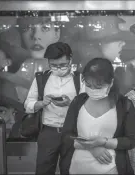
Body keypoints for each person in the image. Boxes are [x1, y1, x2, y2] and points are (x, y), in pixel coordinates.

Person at [61, 58, 135, 174]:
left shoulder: (124, 105)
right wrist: (92, 147)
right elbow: (66, 136)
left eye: (98, 87)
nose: (92, 90)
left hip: (111, 169)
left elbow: (130, 141)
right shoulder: (78, 101)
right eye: (88, 85)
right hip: (77, 167)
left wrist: (103, 142)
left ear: (111, 83)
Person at [24, 42, 85, 175]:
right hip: (48, 132)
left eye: (62, 65)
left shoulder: (80, 79)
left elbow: (88, 107)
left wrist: (71, 104)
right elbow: (27, 104)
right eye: (53, 65)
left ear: (70, 59)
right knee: (43, 170)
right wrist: (41, 103)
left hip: (72, 132)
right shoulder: (41, 79)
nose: (58, 68)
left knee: (70, 169)